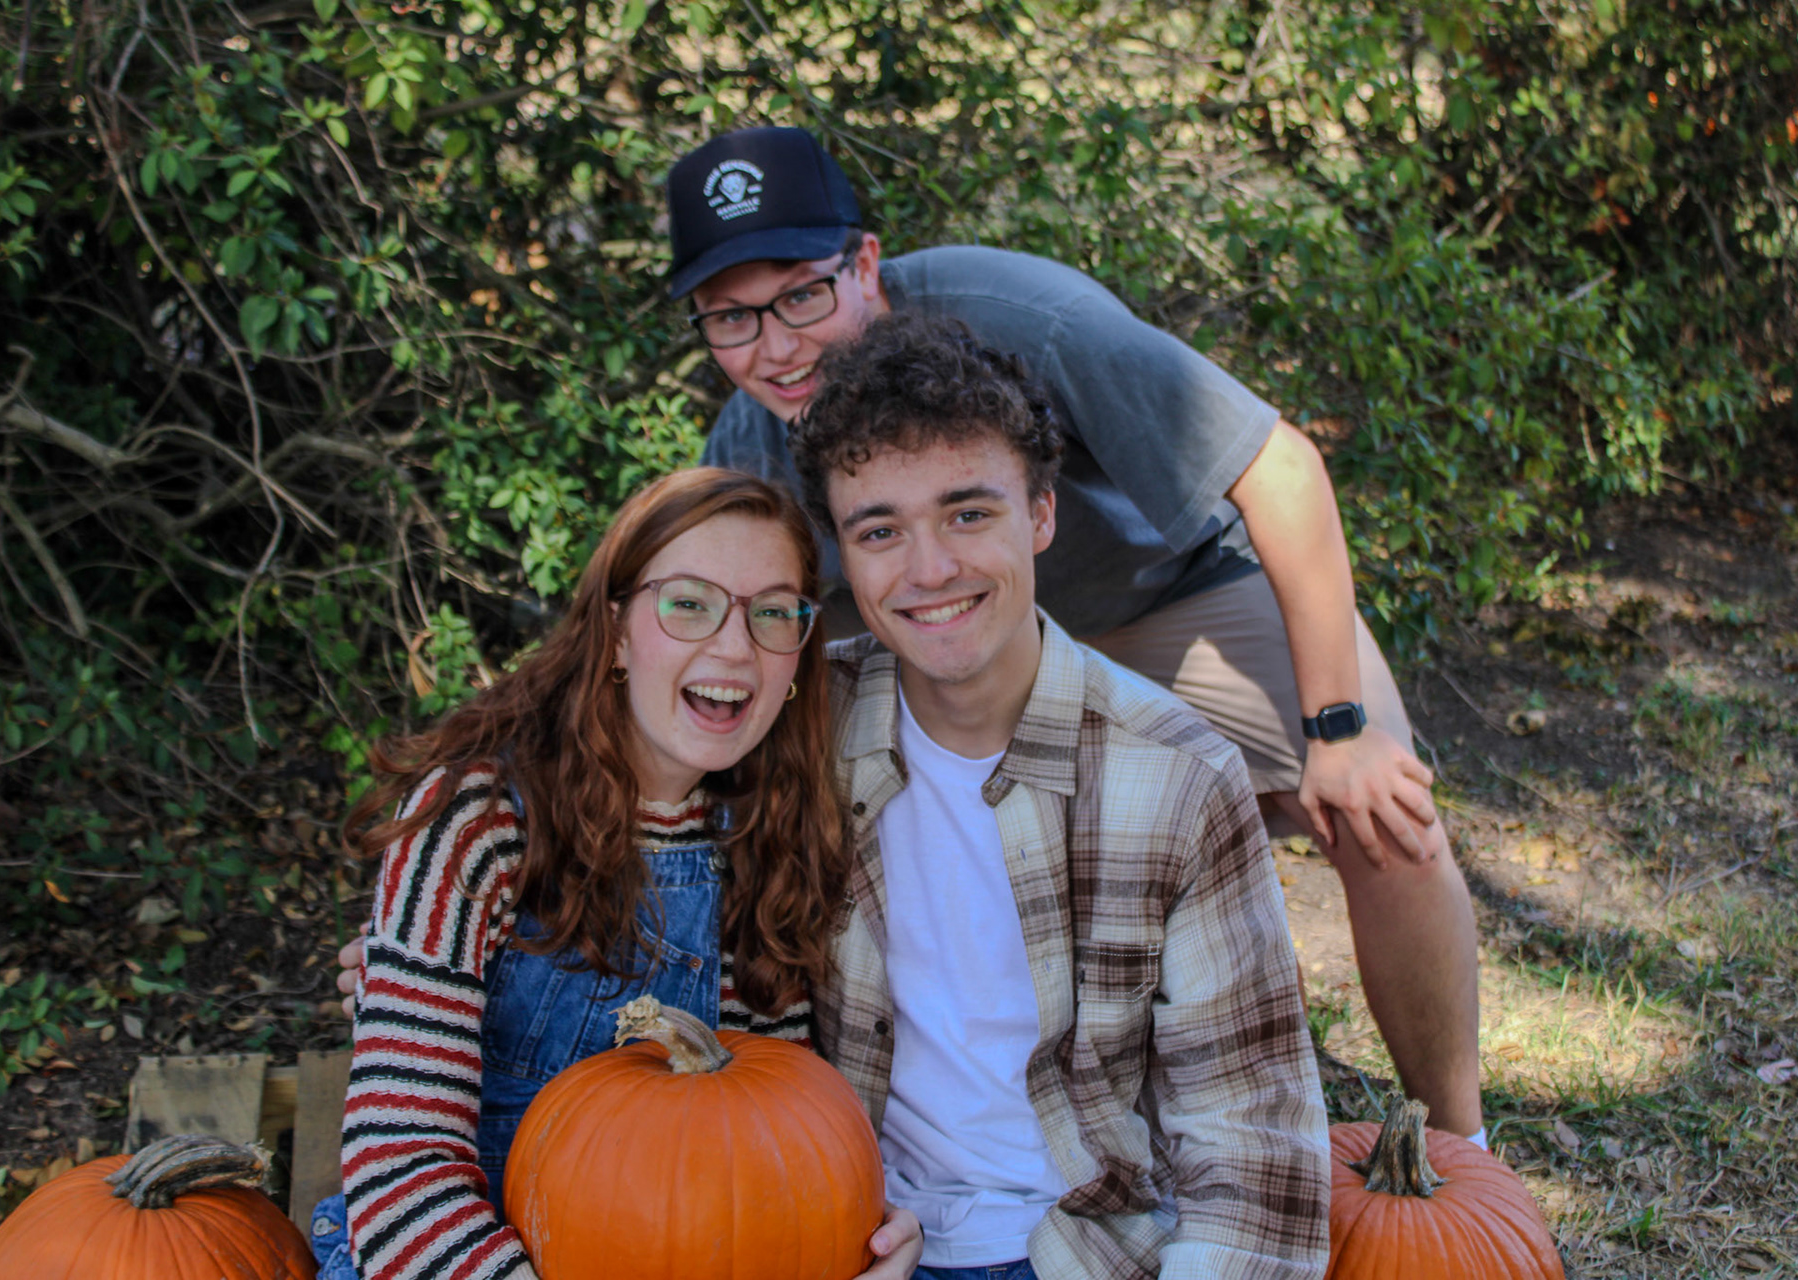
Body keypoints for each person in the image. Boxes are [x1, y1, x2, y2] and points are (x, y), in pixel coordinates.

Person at [668, 125, 1482, 1141]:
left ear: (864, 263)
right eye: (732, 318)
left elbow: (1281, 470)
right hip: (961, 643)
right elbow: (709, 632)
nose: (777, 346)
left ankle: (1462, 1149)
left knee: (1382, 816)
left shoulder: (1023, 319)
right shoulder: (748, 446)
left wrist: (1341, 727)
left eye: (800, 295)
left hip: (1170, 593)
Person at [792, 312, 1330, 1278]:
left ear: (1041, 515)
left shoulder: (1177, 776)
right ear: (841, 550)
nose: (930, 570)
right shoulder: (801, 732)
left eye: (969, 514)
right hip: (844, 1231)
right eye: (880, 531)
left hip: (1087, 1248)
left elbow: (1252, 1149)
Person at [317, 469, 921, 1280]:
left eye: (775, 613)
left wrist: (853, 1235)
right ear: (616, 631)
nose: (735, 647)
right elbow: (400, 1169)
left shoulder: (763, 842)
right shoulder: (477, 819)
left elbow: (773, 1135)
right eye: (689, 603)